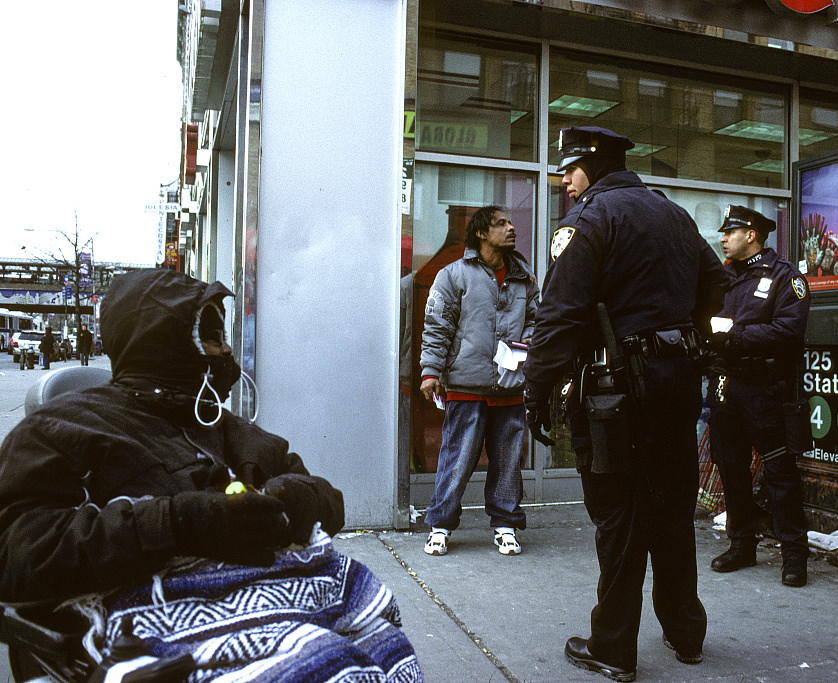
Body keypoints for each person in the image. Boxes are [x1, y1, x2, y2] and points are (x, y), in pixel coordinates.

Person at [0, 269, 422, 682]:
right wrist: (180, 523)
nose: (224, 352)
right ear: (162, 343)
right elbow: (17, 551)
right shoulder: (64, 428)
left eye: (224, 338)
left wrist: (295, 499)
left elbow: (330, 501)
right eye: (211, 338)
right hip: (164, 620)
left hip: (285, 604)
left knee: (372, 656)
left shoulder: (231, 429)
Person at [524, 126, 729, 682]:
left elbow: (559, 316)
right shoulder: (675, 216)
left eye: (570, 168)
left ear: (593, 165)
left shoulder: (590, 220)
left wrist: (535, 391)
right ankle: (686, 632)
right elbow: (717, 286)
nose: (564, 179)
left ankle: (613, 648)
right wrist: (684, 342)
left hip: (617, 394)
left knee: (618, 515)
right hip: (677, 383)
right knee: (672, 509)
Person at [419, 205, 539, 557]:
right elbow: (437, 327)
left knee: (508, 462)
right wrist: (431, 371)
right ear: (481, 234)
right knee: (457, 459)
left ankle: (505, 525)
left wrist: (526, 344)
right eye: (500, 224)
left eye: (511, 222)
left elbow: (537, 321)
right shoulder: (453, 275)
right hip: (466, 384)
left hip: (510, 386)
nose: (511, 228)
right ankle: (439, 526)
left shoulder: (525, 278)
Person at [705, 205, 811, 587]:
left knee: (780, 471)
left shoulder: (785, 277)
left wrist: (736, 339)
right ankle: (742, 544)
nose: (722, 239)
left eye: (729, 232)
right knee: (730, 466)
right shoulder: (722, 277)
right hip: (727, 386)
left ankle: (794, 555)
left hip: (766, 388)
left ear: (751, 234)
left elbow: (789, 329)